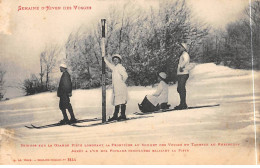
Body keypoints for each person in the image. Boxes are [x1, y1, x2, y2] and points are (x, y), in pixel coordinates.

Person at [104, 54, 128, 121]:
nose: (115, 61)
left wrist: (121, 82)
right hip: (116, 87)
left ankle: (122, 115)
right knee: (117, 101)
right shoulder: (115, 67)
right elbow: (110, 65)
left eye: (116, 60)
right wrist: (104, 59)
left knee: (122, 100)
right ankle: (116, 115)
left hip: (121, 87)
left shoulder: (120, 67)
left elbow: (125, 76)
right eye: (114, 60)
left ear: (119, 60)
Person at [174, 43, 190, 110]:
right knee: (179, 88)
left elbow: (185, 61)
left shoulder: (185, 54)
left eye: (181, 47)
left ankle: (183, 104)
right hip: (181, 74)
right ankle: (182, 103)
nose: (179, 48)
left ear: (184, 48)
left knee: (181, 88)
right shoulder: (182, 54)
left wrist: (181, 66)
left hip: (184, 73)